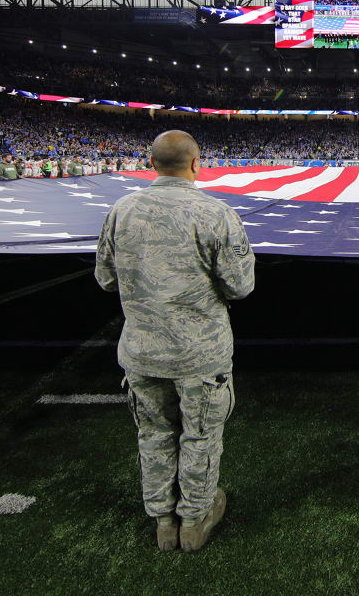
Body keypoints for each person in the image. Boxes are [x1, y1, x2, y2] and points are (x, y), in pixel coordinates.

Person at [96, 130, 255, 553]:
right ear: (196, 163)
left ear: (152, 163)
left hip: (143, 350)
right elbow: (241, 286)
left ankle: (163, 519)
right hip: (199, 353)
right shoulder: (215, 213)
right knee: (200, 435)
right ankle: (194, 520)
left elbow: (105, 278)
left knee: (153, 434)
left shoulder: (121, 210)